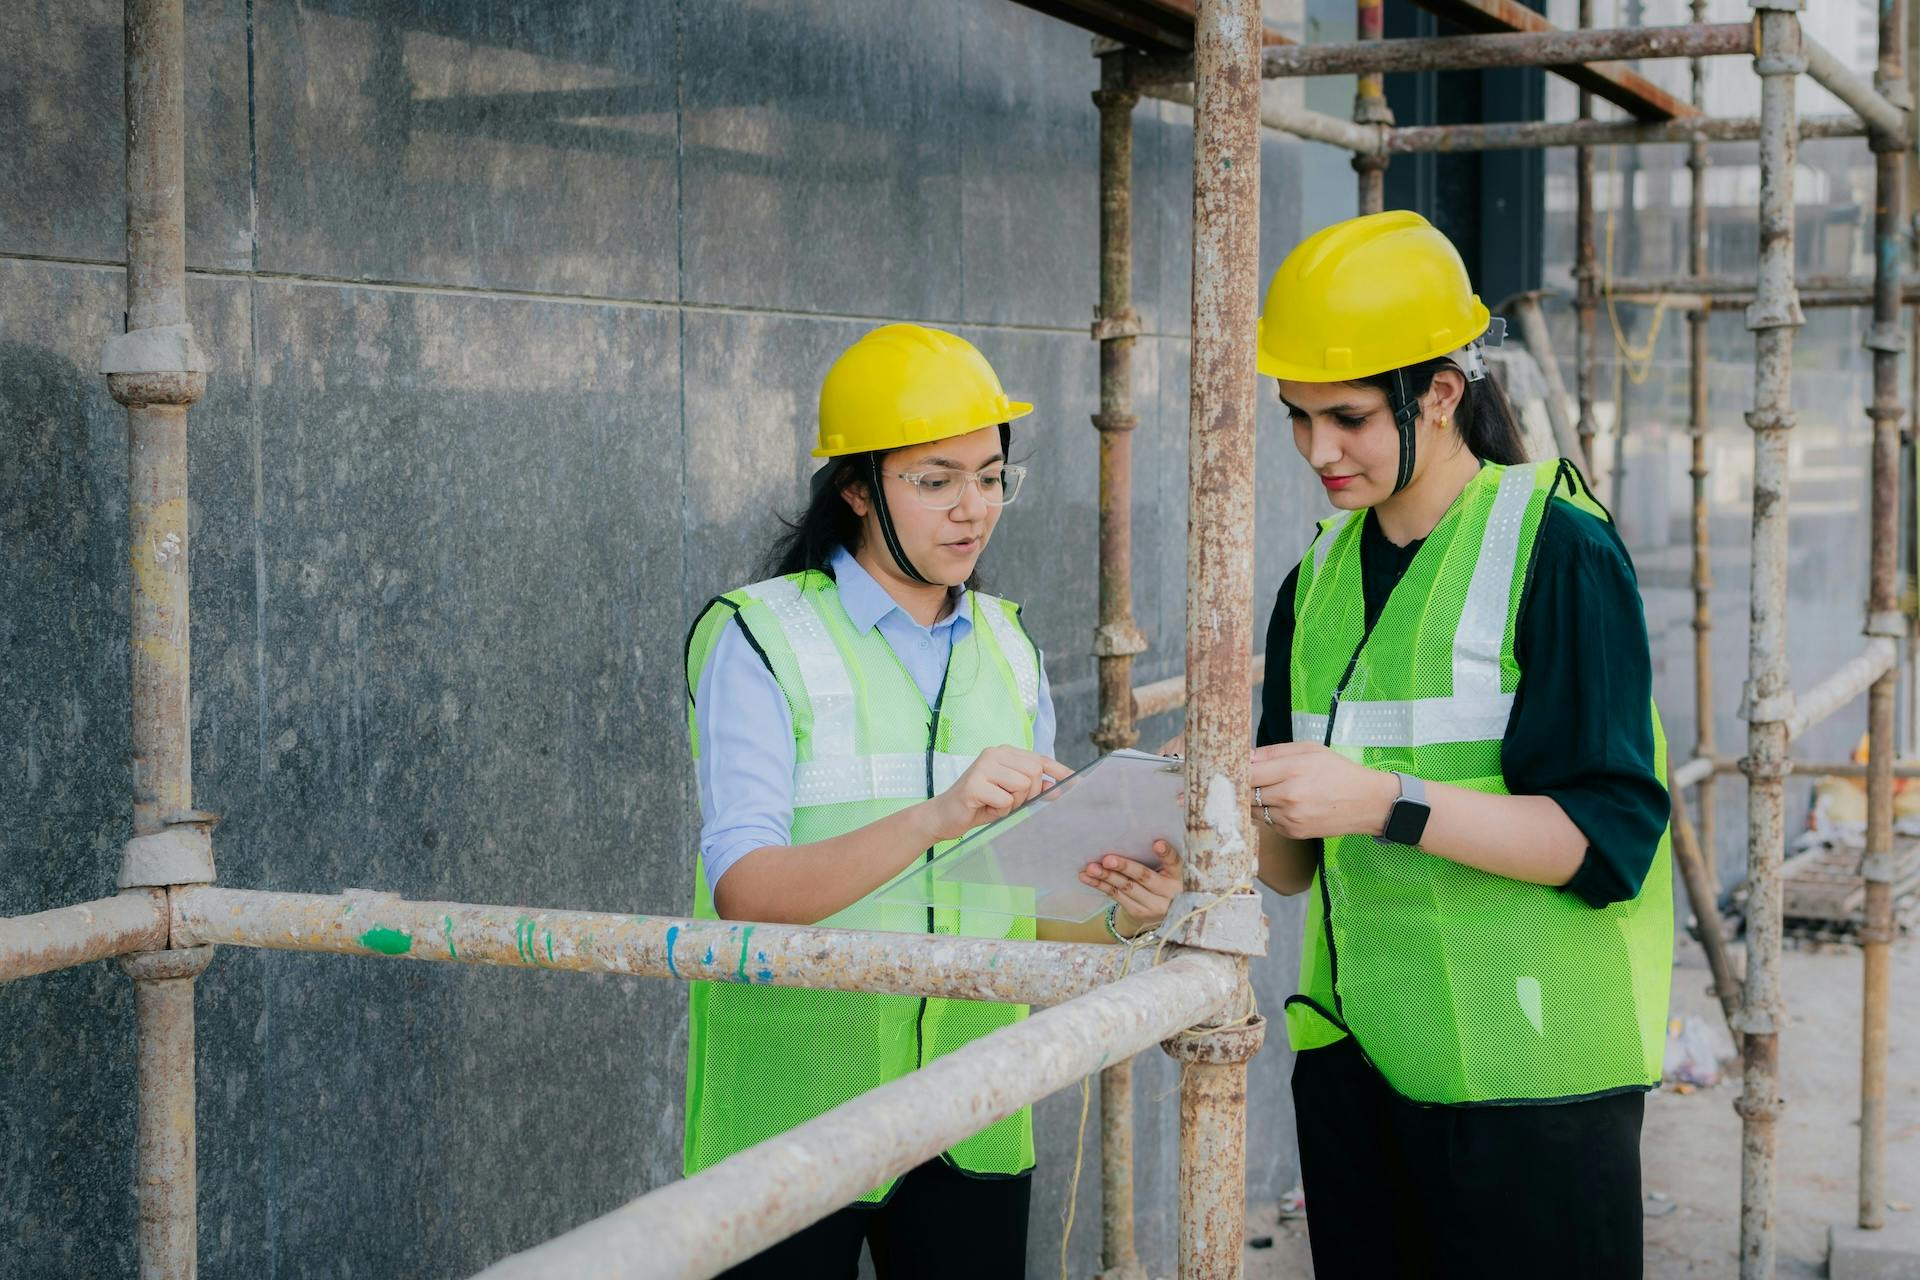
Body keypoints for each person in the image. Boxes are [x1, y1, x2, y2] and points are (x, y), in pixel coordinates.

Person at [682, 323, 1181, 1278]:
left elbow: (1037, 913)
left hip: (974, 1110)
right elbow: (745, 890)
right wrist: (937, 816)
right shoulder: (757, 637)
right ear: (859, 488)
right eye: (935, 479)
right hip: (791, 1109)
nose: (974, 509)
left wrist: (1125, 909)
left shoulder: (1010, 644)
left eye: (991, 477)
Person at [1246, 211, 1674, 1278]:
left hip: (1532, 1084)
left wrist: (1383, 797)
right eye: (1296, 417)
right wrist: (1204, 837)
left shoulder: (1561, 551)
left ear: (1440, 393)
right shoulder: (1316, 582)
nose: (1317, 451)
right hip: (1356, 1065)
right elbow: (1292, 868)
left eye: (1345, 417)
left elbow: (1606, 837)